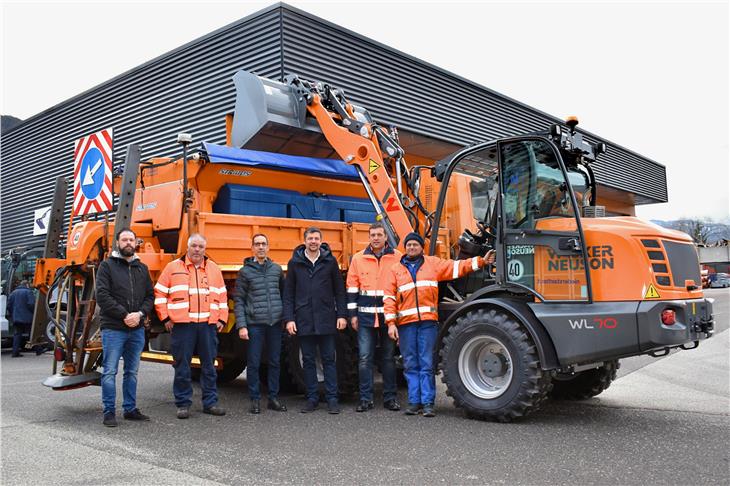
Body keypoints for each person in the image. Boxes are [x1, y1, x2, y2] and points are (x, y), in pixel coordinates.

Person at [384, 232, 493, 418]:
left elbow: (457, 267)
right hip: (406, 325)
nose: (411, 248)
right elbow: (389, 298)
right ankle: (414, 402)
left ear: (421, 248)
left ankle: (427, 403)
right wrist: (391, 323)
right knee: (410, 364)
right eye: (408, 245)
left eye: (415, 245)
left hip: (427, 323)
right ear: (405, 247)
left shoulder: (433, 264)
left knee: (426, 363)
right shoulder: (395, 270)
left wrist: (481, 261)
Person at [155, 233, 228, 419]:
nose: (197, 250)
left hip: (207, 326)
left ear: (205, 249)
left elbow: (222, 296)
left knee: (209, 367)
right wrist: (165, 318)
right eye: (194, 246)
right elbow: (160, 294)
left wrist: (222, 319)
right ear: (188, 247)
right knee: (182, 366)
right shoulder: (172, 268)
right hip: (182, 326)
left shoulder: (213, 268)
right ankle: (183, 404)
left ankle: (210, 403)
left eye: (200, 247)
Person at [283, 227, 347, 414]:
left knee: (329, 359)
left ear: (321, 241)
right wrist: (289, 319)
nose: (313, 241)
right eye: (310, 238)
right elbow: (288, 294)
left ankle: (332, 398)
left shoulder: (330, 261)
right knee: (309, 360)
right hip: (304, 320)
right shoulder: (295, 263)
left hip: (326, 318)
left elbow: (339, 291)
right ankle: (312, 398)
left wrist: (341, 315)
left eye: (316, 238)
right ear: (305, 241)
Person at [95, 229, 154, 427]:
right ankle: (109, 412)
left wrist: (139, 314)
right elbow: (102, 295)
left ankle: (130, 409)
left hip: (136, 328)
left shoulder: (142, 268)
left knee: (132, 371)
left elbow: (150, 297)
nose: (128, 243)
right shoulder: (106, 266)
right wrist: (124, 315)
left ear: (136, 243)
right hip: (114, 328)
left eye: (131, 239)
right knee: (110, 371)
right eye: (124, 239)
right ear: (117, 243)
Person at [346, 222, 402, 412]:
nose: (376, 238)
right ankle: (365, 399)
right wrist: (352, 315)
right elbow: (352, 288)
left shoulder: (398, 257)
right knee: (364, 358)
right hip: (365, 318)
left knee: (388, 359)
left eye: (379, 235)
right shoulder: (358, 258)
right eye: (373, 235)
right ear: (368, 237)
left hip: (389, 318)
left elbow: (402, 288)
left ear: (386, 237)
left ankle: (390, 399)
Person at [234, 233, 287, 414]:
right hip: (255, 324)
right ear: (252, 248)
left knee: (274, 362)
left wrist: (286, 319)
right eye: (257, 244)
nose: (261, 247)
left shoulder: (277, 270)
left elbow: (284, 294)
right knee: (254, 363)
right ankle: (255, 399)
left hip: (275, 324)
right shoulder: (245, 272)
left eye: (264, 244)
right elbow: (239, 299)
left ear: (268, 247)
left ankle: (273, 398)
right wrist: (242, 325)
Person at [6, 280, 38, 357]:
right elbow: (31, 304)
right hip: (27, 317)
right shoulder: (28, 292)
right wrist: (34, 313)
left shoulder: (13, 293)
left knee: (17, 335)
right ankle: (38, 350)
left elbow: (8, 306)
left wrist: (13, 314)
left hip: (16, 318)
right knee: (33, 334)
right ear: (26, 284)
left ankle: (15, 352)